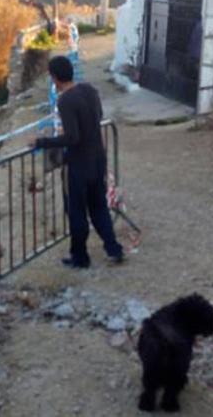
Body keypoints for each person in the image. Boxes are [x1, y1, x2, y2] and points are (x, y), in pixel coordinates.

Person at [34, 56, 124, 268]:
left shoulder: (65, 101)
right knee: (99, 206)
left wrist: (41, 142)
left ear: (54, 77)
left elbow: (72, 138)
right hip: (97, 159)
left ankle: (80, 257)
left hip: (78, 164)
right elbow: (97, 117)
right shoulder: (90, 91)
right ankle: (113, 248)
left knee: (76, 212)